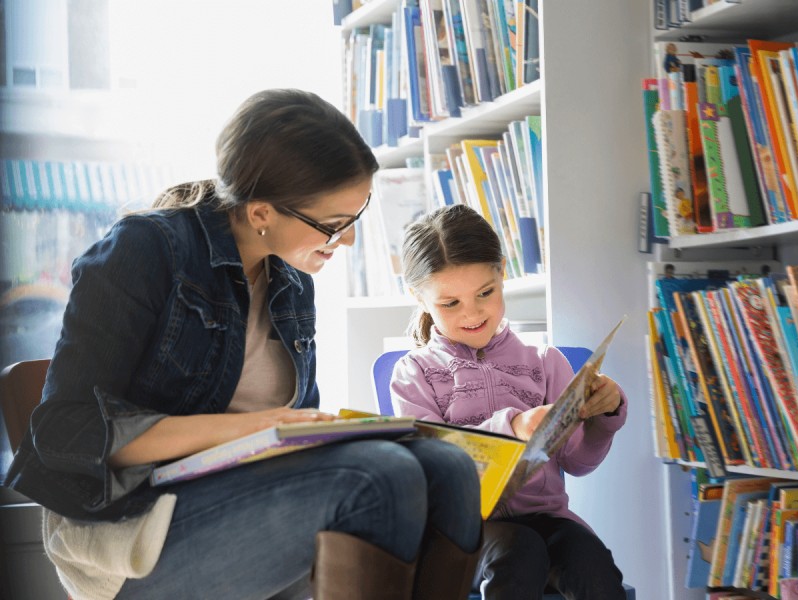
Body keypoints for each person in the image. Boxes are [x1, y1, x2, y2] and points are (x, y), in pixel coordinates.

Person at [4, 89, 482, 600]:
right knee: (378, 478)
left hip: (240, 494)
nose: (347, 241)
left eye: (356, 216)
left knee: (450, 468)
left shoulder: (293, 281)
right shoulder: (145, 249)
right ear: (260, 213)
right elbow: (64, 430)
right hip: (128, 525)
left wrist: (326, 432)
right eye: (334, 225)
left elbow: (296, 432)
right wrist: (254, 427)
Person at [391, 204, 628, 600]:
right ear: (419, 297)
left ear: (502, 272)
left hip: (547, 520)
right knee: (520, 551)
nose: (472, 313)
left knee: (593, 562)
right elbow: (430, 469)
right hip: (460, 533)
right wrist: (512, 428)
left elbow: (578, 462)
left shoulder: (545, 362)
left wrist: (603, 417)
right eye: (451, 303)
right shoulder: (413, 373)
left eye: (485, 292)